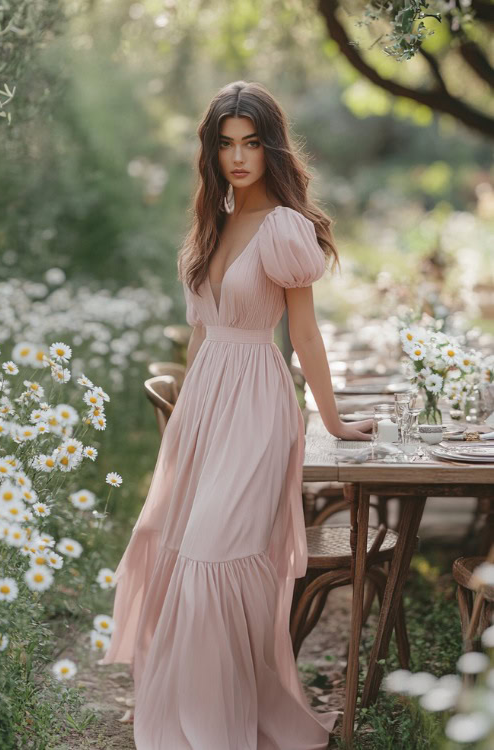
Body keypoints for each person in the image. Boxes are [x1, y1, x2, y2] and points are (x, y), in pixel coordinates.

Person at [99, 80, 372, 749]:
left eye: (251, 142)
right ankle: (203, 709)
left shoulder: (285, 227)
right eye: (226, 144)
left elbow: (303, 337)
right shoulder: (211, 225)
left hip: (258, 406)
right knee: (183, 551)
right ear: (211, 152)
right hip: (208, 403)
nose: (239, 156)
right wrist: (189, 420)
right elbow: (200, 333)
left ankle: (224, 721)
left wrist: (332, 422)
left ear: (270, 146)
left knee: (215, 556)